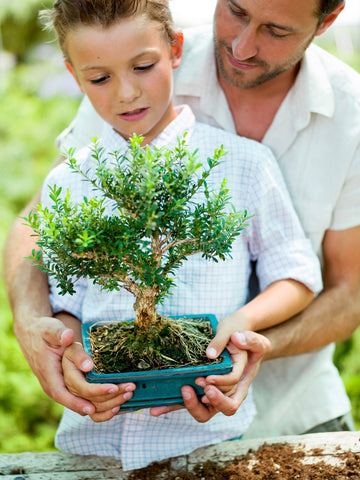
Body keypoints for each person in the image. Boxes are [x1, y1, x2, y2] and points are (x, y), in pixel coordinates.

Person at [4, 0, 360, 441]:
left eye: (277, 30)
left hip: (291, 417)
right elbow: (39, 232)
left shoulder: (331, 123)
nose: (127, 93)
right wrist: (43, 331)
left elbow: (345, 290)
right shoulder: (84, 161)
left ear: (326, 20)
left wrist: (237, 341)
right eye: (236, 11)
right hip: (101, 436)